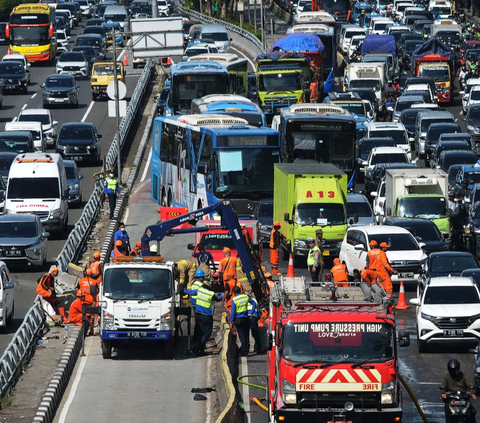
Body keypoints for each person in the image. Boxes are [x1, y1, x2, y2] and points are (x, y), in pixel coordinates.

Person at [182, 279, 223, 355]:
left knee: (201, 332)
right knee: (207, 333)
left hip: (198, 314)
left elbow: (191, 292)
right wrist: (220, 294)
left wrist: (183, 290)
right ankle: (198, 347)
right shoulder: (211, 294)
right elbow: (219, 298)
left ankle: (200, 350)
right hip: (207, 316)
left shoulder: (199, 290)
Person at [441, 359, 476, 423]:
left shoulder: (463, 376)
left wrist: (472, 393)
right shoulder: (446, 377)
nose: (453, 372)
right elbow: (443, 386)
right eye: (452, 370)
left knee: (472, 411)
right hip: (451, 397)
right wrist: (443, 393)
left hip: (463, 396)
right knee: (447, 410)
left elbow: (470, 385)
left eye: (455, 370)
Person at [230, 286, 257, 356]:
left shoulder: (234, 300)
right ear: (240, 291)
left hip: (239, 319)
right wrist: (251, 312)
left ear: (234, 292)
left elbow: (233, 313)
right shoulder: (245, 297)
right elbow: (254, 303)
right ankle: (247, 349)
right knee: (246, 334)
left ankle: (244, 351)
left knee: (242, 335)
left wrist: (231, 322)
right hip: (246, 318)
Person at [190, 269, 206, 342]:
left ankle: (196, 336)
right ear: (201, 277)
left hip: (194, 303)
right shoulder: (200, 285)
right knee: (200, 321)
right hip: (198, 304)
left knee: (198, 321)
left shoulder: (194, 284)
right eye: (203, 277)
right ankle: (198, 336)